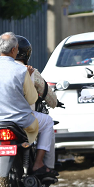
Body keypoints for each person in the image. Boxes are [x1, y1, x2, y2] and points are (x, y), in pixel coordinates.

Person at [0, 32, 54, 180]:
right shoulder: (23, 71)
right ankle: (39, 163)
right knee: (47, 122)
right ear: (15, 49)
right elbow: (32, 98)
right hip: (22, 122)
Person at [14, 35, 58, 177]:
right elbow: (51, 99)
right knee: (48, 122)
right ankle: (41, 164)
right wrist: (55, 103)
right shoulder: (30, 71)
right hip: (24, 118)